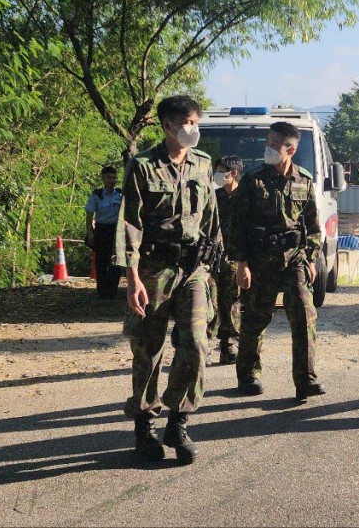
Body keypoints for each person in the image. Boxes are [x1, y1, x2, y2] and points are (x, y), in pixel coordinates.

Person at [114, 94, 221, 465]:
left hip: (193, 271)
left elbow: (211, 217)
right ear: (169, 126)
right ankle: (144, 425)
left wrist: (213, 266)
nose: (194, 129)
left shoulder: (203, 164)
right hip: (153, 270)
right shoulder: (143, 166)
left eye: (197, 122)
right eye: (188, 123)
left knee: (196, 344)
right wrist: (132, 276)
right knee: (149, 349)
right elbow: (129, 222)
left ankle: (179, 421)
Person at [229, 121, 325, 402]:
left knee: (305, 316)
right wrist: (241, 263)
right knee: (257, 319)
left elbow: (313, 226)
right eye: (267, 143)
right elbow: (237, 224)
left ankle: (305, 379)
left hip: (294, 259)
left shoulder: (304, 180)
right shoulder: (253, 179)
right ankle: (248, 374)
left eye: (274, 144)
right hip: (260, 259)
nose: (268, 148)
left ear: (290, 149)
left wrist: (310, 259)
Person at [210, 154, 244, 365]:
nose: (217, 174)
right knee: (210, 302)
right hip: (213, 258)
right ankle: (203, 345)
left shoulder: (246, 197)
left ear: (233, 173)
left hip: (236, 258)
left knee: (230, 302)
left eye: (222, 170)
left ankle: (228, 344)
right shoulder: (213, 197)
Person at [85, 165, 123, 299]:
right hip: (101, 229)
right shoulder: (97, 195)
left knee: (116, 261)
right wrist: (90, 233)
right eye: (109, 177)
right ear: (103, 178)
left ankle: (112, 291)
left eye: (114, 177)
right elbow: (89, 215)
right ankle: (102, 292)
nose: (112, 180)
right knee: (101, 261)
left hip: (116, 230)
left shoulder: (120, 194)